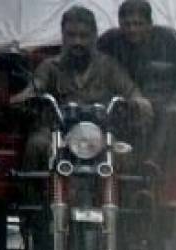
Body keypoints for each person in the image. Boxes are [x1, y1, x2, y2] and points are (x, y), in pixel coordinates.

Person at [12, 6, 152, 171]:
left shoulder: (109, 66)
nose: (77, 42)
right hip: (58, 132)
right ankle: (32, 196)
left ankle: (130, 196)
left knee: (124, 153)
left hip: (99, 133)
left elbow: (130, 90)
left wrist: (139, 102)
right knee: (37, 145)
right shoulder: (50, 66)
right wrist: (25, 97)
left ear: (94, 37)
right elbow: (36, 86)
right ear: (63, 36)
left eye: (83, 36)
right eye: (71, 35)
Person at [97, 0, 176, 175]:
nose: (132, 29)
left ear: (150, 24)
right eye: (127, 24)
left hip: (164, 107)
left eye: (138, 24)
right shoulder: (109, 42)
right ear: (120, 24)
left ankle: (152, 166)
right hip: (123, 108)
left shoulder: (169, 40)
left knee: (170, 115)